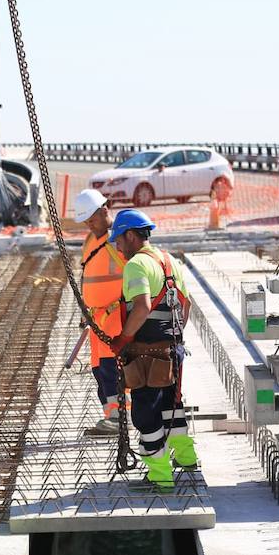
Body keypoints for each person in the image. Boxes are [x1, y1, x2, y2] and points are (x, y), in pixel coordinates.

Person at [108, 209, 197, 488]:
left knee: (145, 414)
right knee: (172, 406)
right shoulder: (170, 261)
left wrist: (124, 338)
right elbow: (186, 304)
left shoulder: (136, 265)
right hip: (171, 351)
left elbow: (142, 306)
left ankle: (160, 475)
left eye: (118, 240)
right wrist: (174, 338)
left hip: (146, 355)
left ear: (131, 235)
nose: (118, 247)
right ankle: (186, 458)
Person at [72, 189, 126, 436]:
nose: (90, 225)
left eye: (92, 220)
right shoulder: (90, 240)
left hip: (116, 317)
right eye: (86, 222)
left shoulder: (120, 240)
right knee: (98, 368)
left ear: (105, 211)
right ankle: (110, 415)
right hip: (96, 318)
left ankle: (120, 416)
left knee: (113, 367)